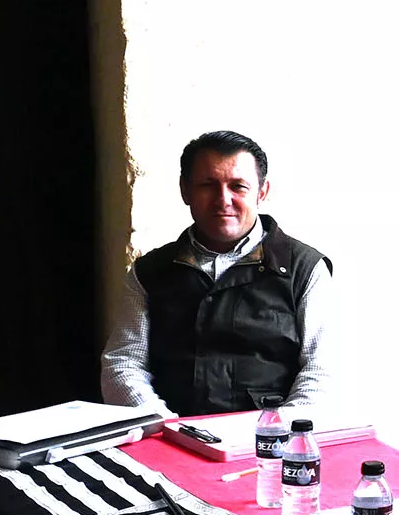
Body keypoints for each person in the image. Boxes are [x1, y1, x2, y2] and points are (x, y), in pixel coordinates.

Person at [101, 130, 336, 417]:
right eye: (207, 185)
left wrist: (272, 431)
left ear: (261, 192)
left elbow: (322, 371)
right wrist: (163, 425)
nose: (222, 200)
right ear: (184, 190)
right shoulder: (149, 272)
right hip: (170, 438)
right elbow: (124, 363)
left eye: (238, 186)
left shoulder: (305, 269)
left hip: (272, 445)